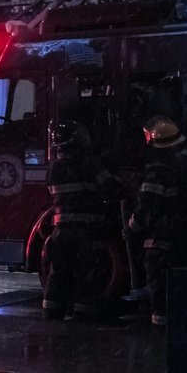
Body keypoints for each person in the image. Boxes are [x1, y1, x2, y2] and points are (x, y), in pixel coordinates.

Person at [125, 116, 187, 326]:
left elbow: (146, 208)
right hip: (184, 242)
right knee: (181, 295)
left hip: (161, 246)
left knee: (161, 298)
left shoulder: (157, 173)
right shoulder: (185, 168)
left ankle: (161, 338)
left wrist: (130, 229)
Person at [41, 122, 118, 320]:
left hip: (60, 232)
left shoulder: (53, 168)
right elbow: (110, 188)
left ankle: (52, 310)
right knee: (87, 273)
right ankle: (84, 315)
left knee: (58, 273)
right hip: (86, 232)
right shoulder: (90, 164)